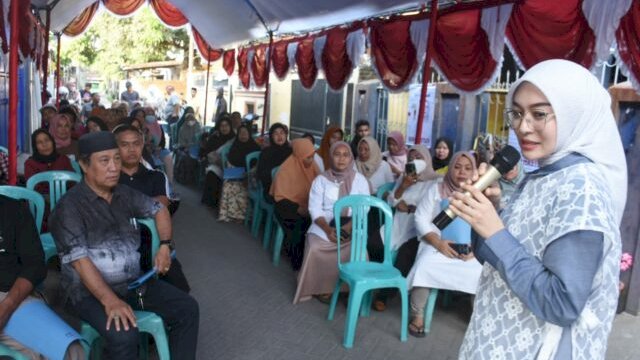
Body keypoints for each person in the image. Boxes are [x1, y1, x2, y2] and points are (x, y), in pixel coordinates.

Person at [453, 60, 627, 359]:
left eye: (539, 114)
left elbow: (561, 305)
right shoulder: (546, 174)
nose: (523, 126)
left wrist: (496, 231)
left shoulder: (581, 188)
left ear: (575, 113)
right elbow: (492, 258)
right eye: (518, 113)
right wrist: (489, 212)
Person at [49, 131, 199, 360]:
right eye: (104, 160)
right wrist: (110, 301)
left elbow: (159, 210)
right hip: (87, 293)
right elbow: (80, 262)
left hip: (132, 283)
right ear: (84, 165)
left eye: (116, 159)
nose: (114, 167)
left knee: (187, 309)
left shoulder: (123, 193)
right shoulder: (69, 208)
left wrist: (165, 246)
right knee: (124, 333)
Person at [405, 151, 482, 337]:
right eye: (457, 167)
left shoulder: (478, 193)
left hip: (468, 250)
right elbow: (420, 218)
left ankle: (478, 319)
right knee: (424, 265)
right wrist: (438, 243)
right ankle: (417, 315)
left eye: (467, 168)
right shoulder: (437, 189)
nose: (462, 172)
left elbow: (482, 225)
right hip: (436, 245)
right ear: (450, 169)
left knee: (480, 272)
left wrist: (474, 248)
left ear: (474, 172)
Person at [0, 195, 85, 359]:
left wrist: (7, 306)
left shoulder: (14, 211)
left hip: (12, 297)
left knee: (70, 350)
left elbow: (35, 265)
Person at [115, 126, 190, 293]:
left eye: (136, 144)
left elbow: (161, 205)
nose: (131, 149)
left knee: (181, 293)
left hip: (155, 242)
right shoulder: (110, 177)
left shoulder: (156, 176)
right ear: (116, 148)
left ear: (142, 145)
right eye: (125, 145)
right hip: (118, 245)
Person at [293, 141, 370, 304]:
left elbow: (364, 208)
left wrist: (348, 227)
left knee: (359, 249)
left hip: (352, 223)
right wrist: (328, 230)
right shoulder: (321, 180)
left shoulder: (360, 180)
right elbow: (315, 209)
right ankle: (324, 287)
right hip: (325, 223)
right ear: (330, 157)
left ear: (351, 159)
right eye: (337, 154)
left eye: (346, 155)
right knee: (315, 247)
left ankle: (350, 286)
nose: (341, 159)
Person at [372, 145, 441, 312]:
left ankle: (385, 294)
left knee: (405, 255)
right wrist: (403, 186)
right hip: (398, 223)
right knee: (373, 243)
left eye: (419, 157)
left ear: (427, 159)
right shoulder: (405, 177)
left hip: (417, 230)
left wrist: (411, 208)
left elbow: (434, 210)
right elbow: (390, 200)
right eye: (411, 158)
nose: (415, 161)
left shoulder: (436, 181)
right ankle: (379, 278)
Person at [270, 138, 320, 270]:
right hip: (286, 206)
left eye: (313, 156)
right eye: (308, 157)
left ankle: (314, 259)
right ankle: (298, 262)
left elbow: (320, 185)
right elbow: (280, 198)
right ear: (299, 156)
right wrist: (298, 208)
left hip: (307, 204)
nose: (311, 160)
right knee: (300, 224)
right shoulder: (285, 170)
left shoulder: (313, 166)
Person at [218, 125, 260, 222]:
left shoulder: (255, 147)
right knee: (228, 184)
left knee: (244, 185)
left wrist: (248, 173)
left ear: (249, 134)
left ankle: (243, 216)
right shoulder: (235, 146)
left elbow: (257, 165)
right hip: (236, 172)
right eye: (241, 133)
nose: (243, 135)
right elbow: (231, 161)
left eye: (246, 133)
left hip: (250, 175)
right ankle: (230, 215)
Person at [24, 129, 74, 197]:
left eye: (47, 140)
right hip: (41, 203)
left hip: (66, 200)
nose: (44, 144)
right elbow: (34, 189)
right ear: (35, 147)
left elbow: (73, 182)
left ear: (52, 141)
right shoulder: (30, 164)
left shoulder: (63, 159)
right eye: (39, 142)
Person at [200, 116, 235, 208]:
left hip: (230, 166)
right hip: (217, 165)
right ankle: (212, 202)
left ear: (230, 126)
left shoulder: (234, 139)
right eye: (222, 126)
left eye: (226, 125)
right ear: (218, 127)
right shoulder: (214, 138)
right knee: (212, 173)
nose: (224, 128)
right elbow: (208, 153)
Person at [256, 123, 292, 200]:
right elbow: (260, 174)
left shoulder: (291, 152)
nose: (279, 136)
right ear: (271, 137)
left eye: (282, 133)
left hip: (290, 187)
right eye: (276, 133)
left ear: (286, 135)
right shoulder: (266, 153)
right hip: (272, 190)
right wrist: (276, 174)